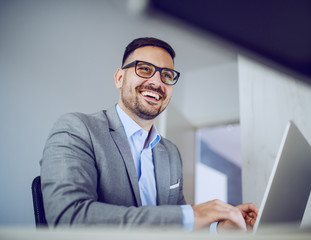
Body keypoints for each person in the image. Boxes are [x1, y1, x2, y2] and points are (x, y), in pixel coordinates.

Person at [40, 37, 258, 231]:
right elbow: (68, 217)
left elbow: (178, 222)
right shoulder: (77, 129)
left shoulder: (171, 153)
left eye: (167, 75)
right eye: (144, 69)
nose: (156, 82)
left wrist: (219, 226)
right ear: (119, 78)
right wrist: (194, 214)